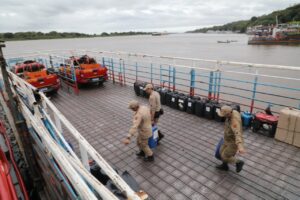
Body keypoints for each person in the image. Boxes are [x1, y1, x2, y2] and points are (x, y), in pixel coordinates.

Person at [216, 105, 245, 172]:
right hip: (227, 138)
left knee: (225, 156)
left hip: (233, 142)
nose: (223, 117)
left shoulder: (234, 122)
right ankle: (225, 166)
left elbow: (238, 133)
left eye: (225, 115)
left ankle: (238, 162)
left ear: (229, 114)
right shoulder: (232, 111)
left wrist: (240, 146)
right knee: (221, 151)